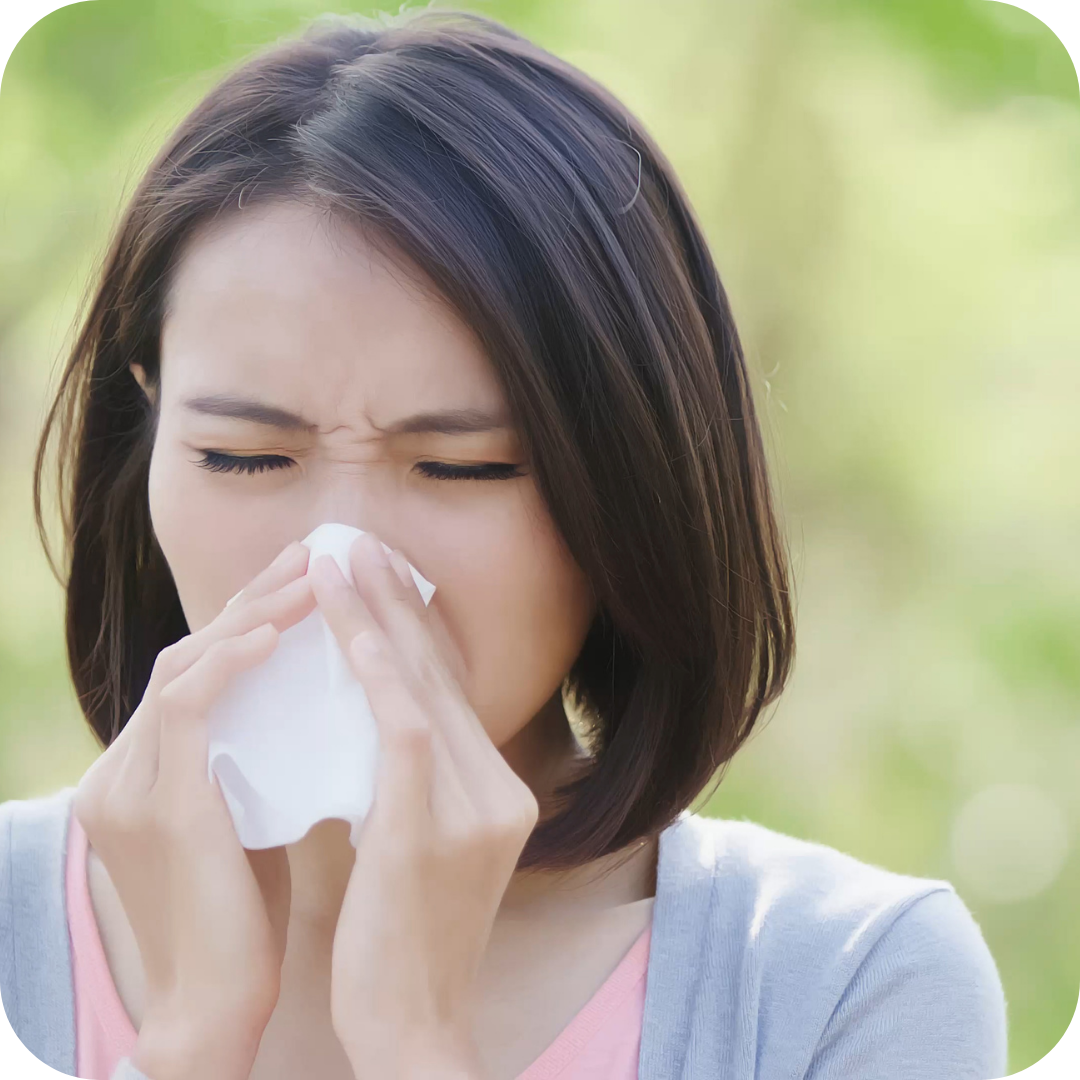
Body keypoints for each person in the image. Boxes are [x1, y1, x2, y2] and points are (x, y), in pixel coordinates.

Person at [0, 9, 1008, 1080]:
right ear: (147, 429)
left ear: (625, 485)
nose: (341, 562)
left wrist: (413, 1043)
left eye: (463, 467)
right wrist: (194, 1044)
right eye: (244, 456)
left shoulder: (842, 986)